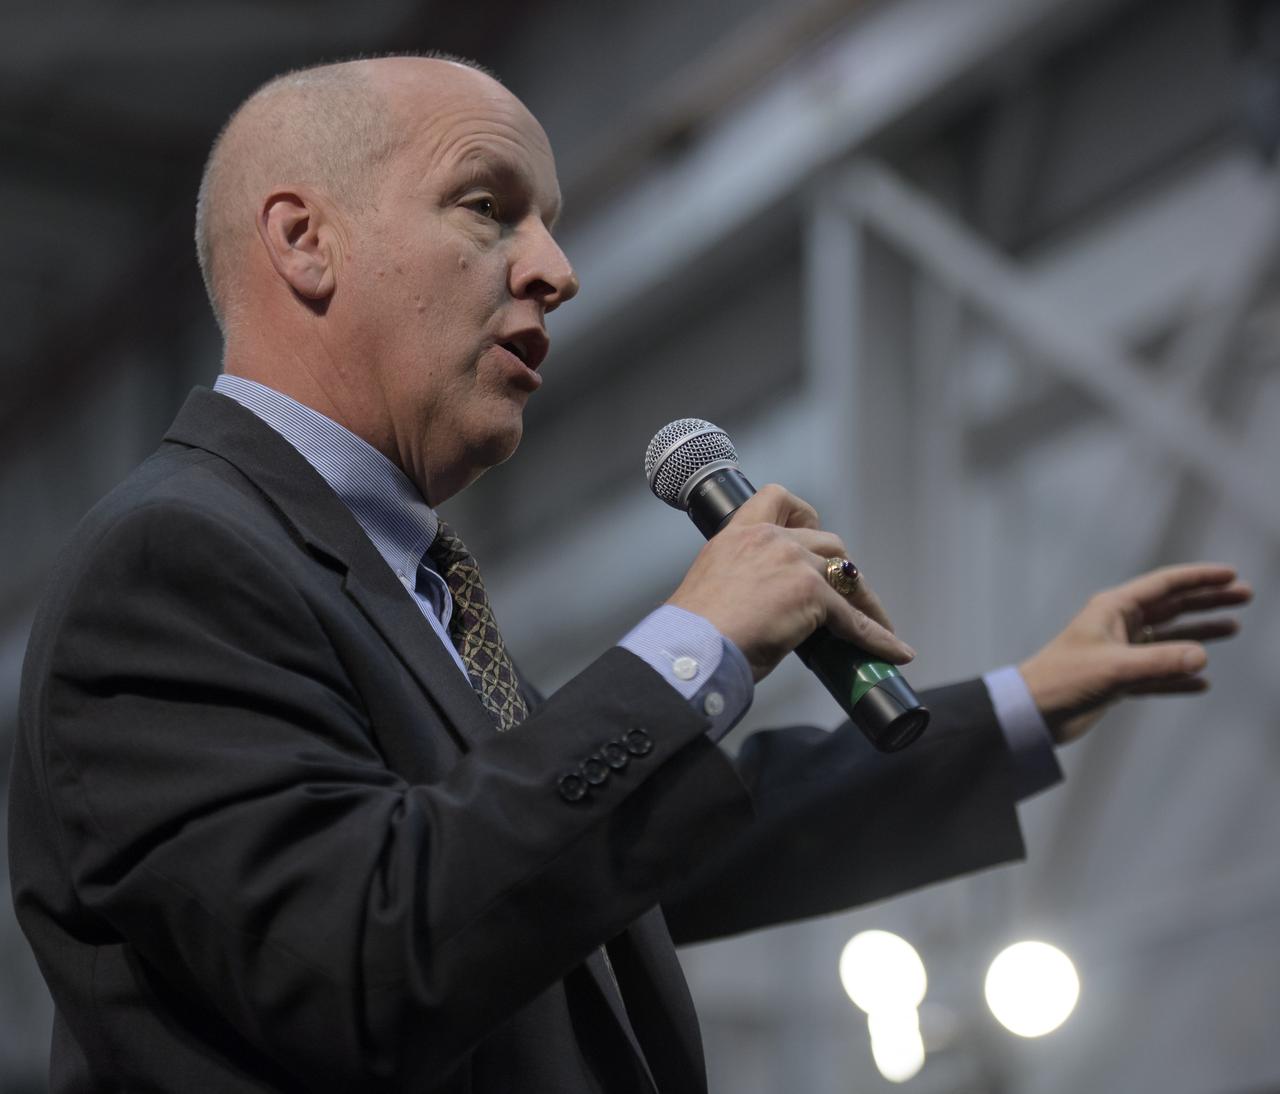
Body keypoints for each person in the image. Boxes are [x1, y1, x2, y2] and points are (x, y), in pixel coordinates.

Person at [7, 55, 1251, 1094]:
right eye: (488, 205)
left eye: (548, 220)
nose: (555, 267)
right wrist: (688, 647)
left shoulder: (398, 583)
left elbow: (610, 853)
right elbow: (360, 951)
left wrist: (1024, 701)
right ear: (305, 240)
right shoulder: (173, 560)